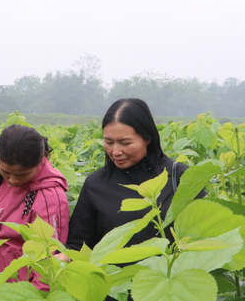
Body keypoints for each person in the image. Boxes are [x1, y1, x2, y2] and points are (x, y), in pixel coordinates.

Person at [67, 98, 198, 252]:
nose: (115, 152)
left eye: (125, 143)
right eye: (109, 142)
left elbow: (203, 234)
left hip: (168, 274)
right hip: (113, 276)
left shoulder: (181, 177)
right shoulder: (95, 184)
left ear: (147, 138)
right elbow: (78, 246)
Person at [0, 125, 69, 290]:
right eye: (6, 172)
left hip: (20, 291)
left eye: (22, 175)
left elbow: (49, 262)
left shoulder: (50, 196)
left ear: (40, 160)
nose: (12, 180)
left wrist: (30, 300)